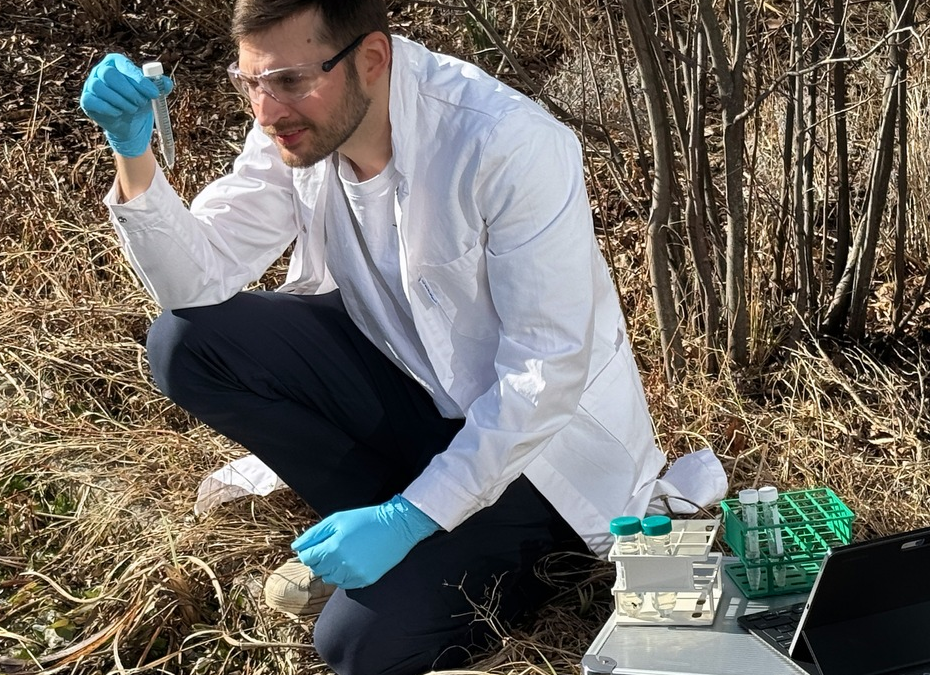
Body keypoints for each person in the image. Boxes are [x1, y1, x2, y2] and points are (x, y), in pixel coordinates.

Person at [80, 1, 726, 673]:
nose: (268, 111)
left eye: (290, 81)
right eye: (252, 83)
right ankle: (383, 523)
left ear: (371, 59)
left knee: (359, 648)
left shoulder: (504, 142)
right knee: (187, 344)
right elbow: (195, 281)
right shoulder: (303, 125)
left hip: (534, 453)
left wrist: (412, 518)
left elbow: (547, 369)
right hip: (410, 391)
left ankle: (490, 548)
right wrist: (134, 155)